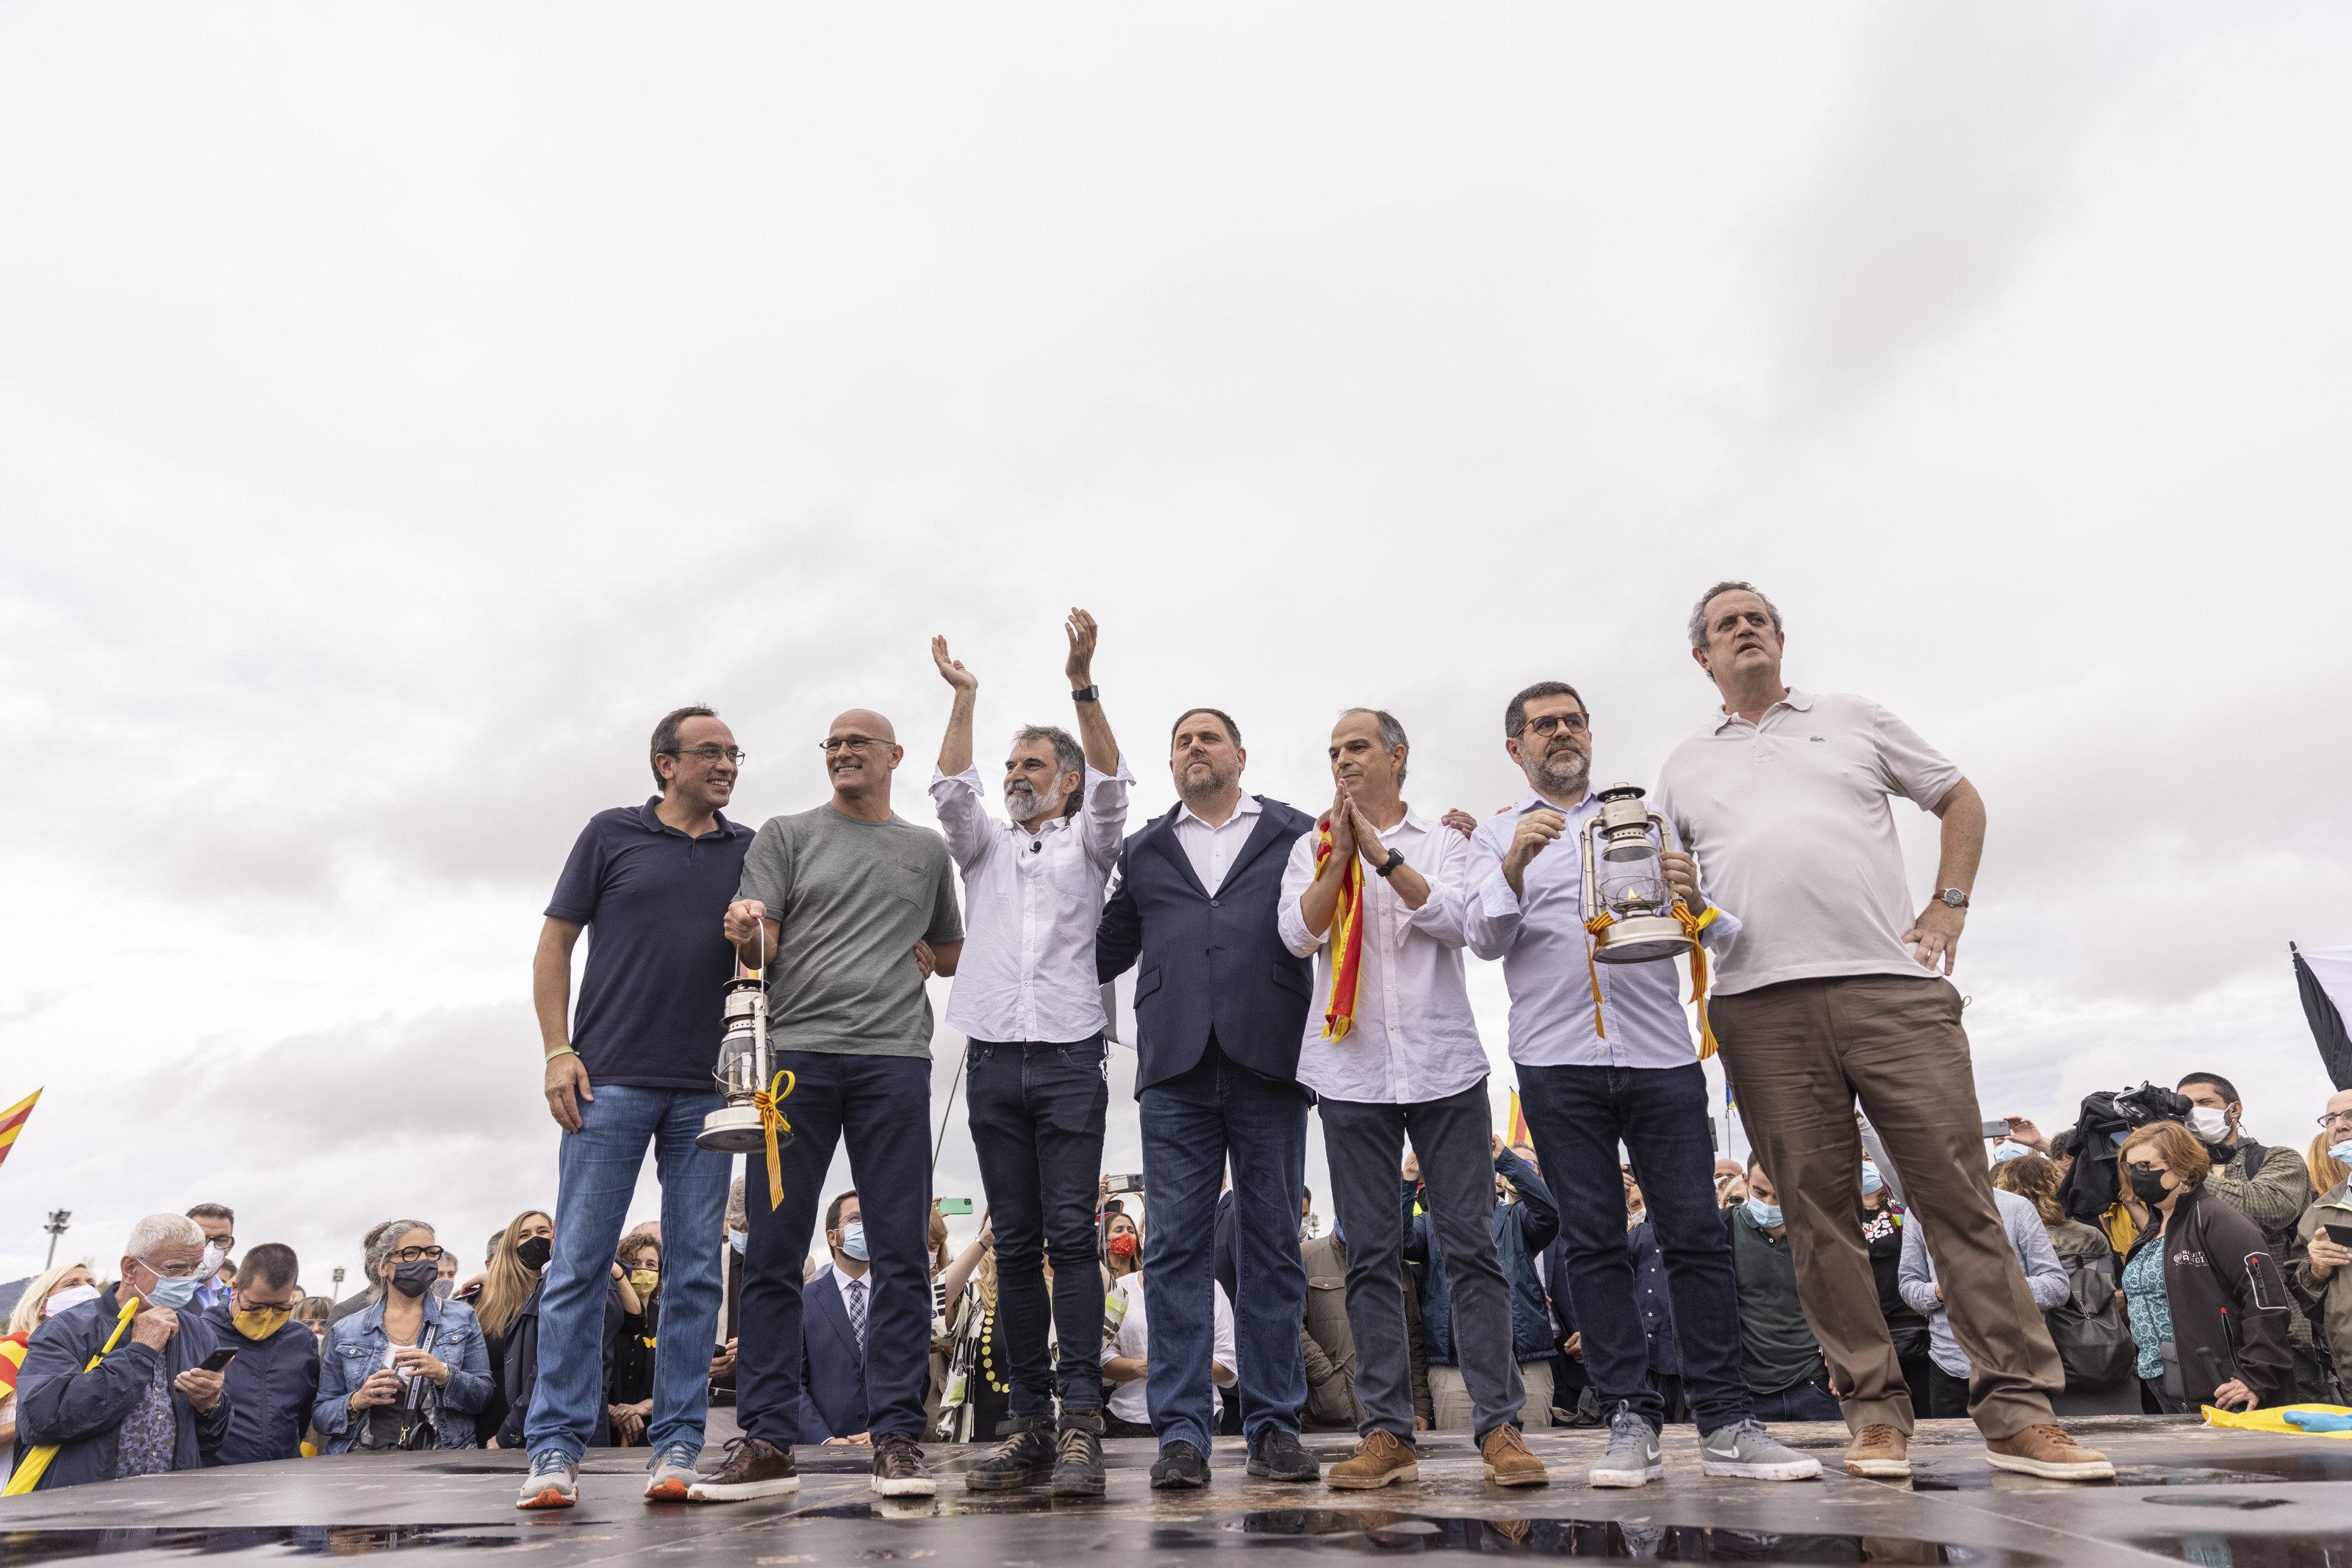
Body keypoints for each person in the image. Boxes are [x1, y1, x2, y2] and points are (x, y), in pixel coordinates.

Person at [1653, 580, 2109, 1483]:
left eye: (1756, 619)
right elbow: (1674, 906)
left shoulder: (1851, 716)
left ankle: (2018, 1415)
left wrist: (1946, 906)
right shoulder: (1680, 767)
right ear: (1699, 658)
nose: (1742, 630)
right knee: (1818, 1221)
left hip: (1889, 990)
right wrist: (1678, 892)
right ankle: (1871, 1415)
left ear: (1779, 640)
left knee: (1956, 1200)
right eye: (1723, 625)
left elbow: (1959, 798)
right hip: (1758, 1004)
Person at [1460, 677, 1818, 1489]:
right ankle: (1629, 1417)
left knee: (1693, 1234)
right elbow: (1481, 936)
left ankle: (1726, 1419)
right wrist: (1515, 862)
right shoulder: (1493, 835)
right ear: (1514, 747)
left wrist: (1696, 901)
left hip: (1660, 1055)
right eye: (1542, 725)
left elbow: (1727, 932)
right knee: (1591, 1241)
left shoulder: (1650, 822)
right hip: (1555, 1061)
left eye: (1572, 721)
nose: (1560, 732)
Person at [1279, 708, 1546, 1491]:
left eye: (1356, 747)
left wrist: (1384, 857)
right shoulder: (1308, 846)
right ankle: (1386, 1432)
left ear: (1397, 756)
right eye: (1332, 751)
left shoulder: (1447, 842)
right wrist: (1339, 858)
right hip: (1349, 1072)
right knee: (1368, 1258)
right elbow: (1296, 936)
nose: (1342, 760)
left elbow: (1465, 923)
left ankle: (1498, 1426)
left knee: (1470, 1250)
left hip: (1442, 1068)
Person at [718, 706, 964, 1501]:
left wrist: (937, 954)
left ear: (895, 755)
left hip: (893, 1059)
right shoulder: (785, 835)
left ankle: (896, 1437)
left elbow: (951, 947)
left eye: (858, 741)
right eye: (832, 743)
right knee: (773, 1246)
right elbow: (764, 944)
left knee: (899, 1250)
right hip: (796, 1062)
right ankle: (764, 1436)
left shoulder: (926, 849)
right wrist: (746, 927)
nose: (843, 751)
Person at [522, 706, 752, 1509]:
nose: (726, 765)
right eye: (710, 753)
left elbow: (770, 962)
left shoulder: (751, 851)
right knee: (579, 1266)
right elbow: (555, 940)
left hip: (710, 1089)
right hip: (607, 1079)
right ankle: (554, 1450)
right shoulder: (610, 834)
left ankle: (679, 1446)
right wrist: (558, 1049)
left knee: (694, 1274)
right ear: (665, 763)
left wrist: (756, 937)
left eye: (733, 754)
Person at [1094, 705, 1321, 1490]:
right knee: (1173, 1252)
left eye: (1208, 737)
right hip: (1174, 1067)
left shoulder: (1296, 831)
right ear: (1170, 763)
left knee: (1271, 1247)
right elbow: (1099, 946)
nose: (1194, 747)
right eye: (1181, 740)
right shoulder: (1143, 847)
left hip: (1268, 1055)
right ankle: (1182, 1434)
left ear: (1240, 754)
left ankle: (1273, 1426)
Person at [929, 611, 1129, 1497]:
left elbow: (1117, 782)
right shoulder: (982, 849)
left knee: (1067, 1238)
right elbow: (947, 789)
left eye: (1031, 765)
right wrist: (966, 699)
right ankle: (1031, 1426)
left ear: (1065, 780)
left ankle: (1084, 1423)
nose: (1015, 776)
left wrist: (1082, 685)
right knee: (1012, 1244)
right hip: (990, 1058)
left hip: (1065, 1053)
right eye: (1010, 766)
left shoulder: (1090, 841)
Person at [10, 1215, 230, 1489]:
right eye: (174, 1269)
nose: (186, 1280)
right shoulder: (67, 1329)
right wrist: (139, 1351)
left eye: (194, 1269)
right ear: (129, 1268)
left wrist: (211, 1405)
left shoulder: (199, 1333)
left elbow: (210, 1442)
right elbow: (42, 1421)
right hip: (78, 1514)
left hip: (167, 1512)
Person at [2116, 1121, 2294, 1412]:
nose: (2137, 1176)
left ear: (2182, 1167)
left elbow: (2266, 1301)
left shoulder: (2215, 1219)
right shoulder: (2153, 1228)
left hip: (2220, 1389)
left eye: (2146, 1166)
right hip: (2161, 1386)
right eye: (2129, 1167)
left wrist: (2255, 1375)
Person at [1408, 1139, 1559, 1465]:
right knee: (1461, 1476)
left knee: (1534, 1467)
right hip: (1454, 1374)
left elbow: (1549, 1212)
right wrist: (1408, 1178)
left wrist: (1505, 1158)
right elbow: (1397, 1238)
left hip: (1524, 1368)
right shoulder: (1431, 1225)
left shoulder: (1516, 1219)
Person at [2176, 1073, 2323, 1398]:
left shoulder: (2277, 1158)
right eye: (2187, 1107)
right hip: (2209, 1345)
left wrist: (2183, 1168)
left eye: (2205, 1103)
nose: (2195, 1112)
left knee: (2302, 1444)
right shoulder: (2171, 1176)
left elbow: (2267, 1208)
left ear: (2234, 1109)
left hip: (2284, 1341)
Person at [314, 1222, 491, 1453]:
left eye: (431, 1253)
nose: (423, 1260)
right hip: (362, 1465)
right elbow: (321, 1415)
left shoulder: (461, 1317)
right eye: (410, 1253)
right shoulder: (347, 1329)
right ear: (382, 1267)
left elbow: (482, 1397)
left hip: (444, 1459)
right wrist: (356, 1401)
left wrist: (444, 1374)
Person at [1899, 1188, 2069, 1418]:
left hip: (2017, 1366)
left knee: (2025, 1452)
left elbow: (2057, 1286)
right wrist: (1941, 1291)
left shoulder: (2016, 1208)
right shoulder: (1918, 1212)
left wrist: (1998, 1289)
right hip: (1950, 1368)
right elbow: (1908, 1285)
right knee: (1955, 1453)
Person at [1101, 1216, 1238, 1441]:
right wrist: (1140, 1368)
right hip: (1131, 1421)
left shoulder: (1210, 1289)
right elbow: (1104, 1362)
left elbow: (1227, 1366)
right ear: (1146, 1238)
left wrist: (1178, 1367)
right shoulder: (1120, 1290)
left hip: (1196, 1417)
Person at [1723, 1163, 1839, 1423]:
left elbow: (1843, 1301)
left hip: (1814, 1386)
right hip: (1746, 1393)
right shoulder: (1723, 1230)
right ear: (1745, 1180)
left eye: (1780, 1196)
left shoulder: (1819, 1233)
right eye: (1760, 1192)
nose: (1769, 1204)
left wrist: (1841, 1357)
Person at [206, 1242, 319, 1465]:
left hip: (282, 1474)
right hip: (213, 1476)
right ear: (235, 1288)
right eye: (255, 1307)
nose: (267, 1318)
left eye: (281, 1308)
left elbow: (306, 1412)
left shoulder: (302, 1341)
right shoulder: (202, 1335)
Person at [792, 1193, 878, 1448]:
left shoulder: (893, 1297)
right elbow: (794, 1383)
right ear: (832, 1236)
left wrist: (888, 1429)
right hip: (824, 1456)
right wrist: (826, 1440)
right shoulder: (805, 1300)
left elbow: (915, 1376)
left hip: (887, 1450)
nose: (865, 1227)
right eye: (855, 1219)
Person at [1857, 1161, 1932, 1419]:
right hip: (1870, 1323)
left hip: (1910, 1319)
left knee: (1923, 1405)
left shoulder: (1900, 1210)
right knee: (1883, 1407)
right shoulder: (1844, 1216)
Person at [2290, 1089, 2352, 1395]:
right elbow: (2307, 1301)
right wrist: (2317, 1270)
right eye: (2331, 1118)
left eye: (2350, 1115)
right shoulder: (2320, 1212)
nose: (2339, 1126)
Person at [1, 1263, 101, 1453]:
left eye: (92, 1284)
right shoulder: (10, 1354)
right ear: (42, 1306)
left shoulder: (99, 1358)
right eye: (72, 1284)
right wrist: (40, 1422)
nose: (87, 1290)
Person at [473, 1211, 552, 1445]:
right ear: (510, 1246)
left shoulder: (558, 1296)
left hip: (539, 1427)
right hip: (489, 1429)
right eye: (524, 1235)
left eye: (542, 1232)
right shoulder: (482, 1303)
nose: (534, 1240)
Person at [608, 1229, 663, 1445]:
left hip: (651, 1433)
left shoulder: (666, 1320)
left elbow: (676, 1384)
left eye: (651, 1265)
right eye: (635, 1263)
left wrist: (639, 1409)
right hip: (603, 1429)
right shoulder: (606, 1316)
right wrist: (614, 1412)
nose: (643, 1269)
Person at [185, 1204, 236, 1315]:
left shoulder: (232, 1299)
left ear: (230, 1246)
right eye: (202, 1238)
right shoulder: (166, 1294)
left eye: (221, 1239)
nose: (210, 1248)